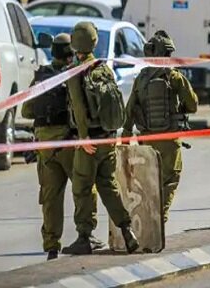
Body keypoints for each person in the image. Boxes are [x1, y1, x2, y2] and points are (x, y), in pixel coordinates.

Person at [21, 34, 103, 260]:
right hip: (69, 142)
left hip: (45, 146)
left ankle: (51, 246)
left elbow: (26, 111)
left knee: (50, 198)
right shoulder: (73, 74)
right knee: (84, 189)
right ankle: (85, 235)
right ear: (71, 53)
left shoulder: (41, 77)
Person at [63, 21, 139, 255]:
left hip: (90, 143)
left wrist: (84, 138)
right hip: (108, 138)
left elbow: (77, 106)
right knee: (108, 187)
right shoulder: (103, 68)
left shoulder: (76, 71)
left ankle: (84, 237)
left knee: (82, 188)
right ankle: (127, 231)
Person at [122, 31, 198, 223]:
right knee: (170, 180)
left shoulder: (141, 78)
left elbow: (130, 109)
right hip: (170, 141)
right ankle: (159, 219)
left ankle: (147, 221)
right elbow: (193, 105)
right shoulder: (174, 77)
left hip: (146, 142)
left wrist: (125, 136)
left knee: (148, 183)